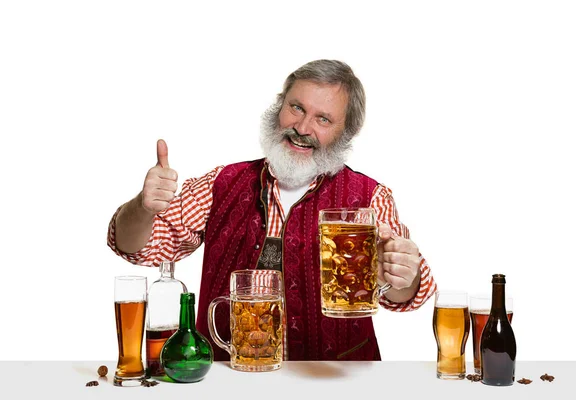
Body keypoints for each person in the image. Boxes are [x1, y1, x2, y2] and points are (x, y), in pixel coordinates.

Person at [107, 59, 437, 361]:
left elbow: (406, 294)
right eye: (296, 108)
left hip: (336, 380)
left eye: (323, 119)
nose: (303, 127)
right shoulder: (222, 182)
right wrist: (144, 207)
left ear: (345, 133)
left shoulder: (369, 197)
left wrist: (401, 274)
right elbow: (136, 247)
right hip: (230, 377)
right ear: (280, 107)